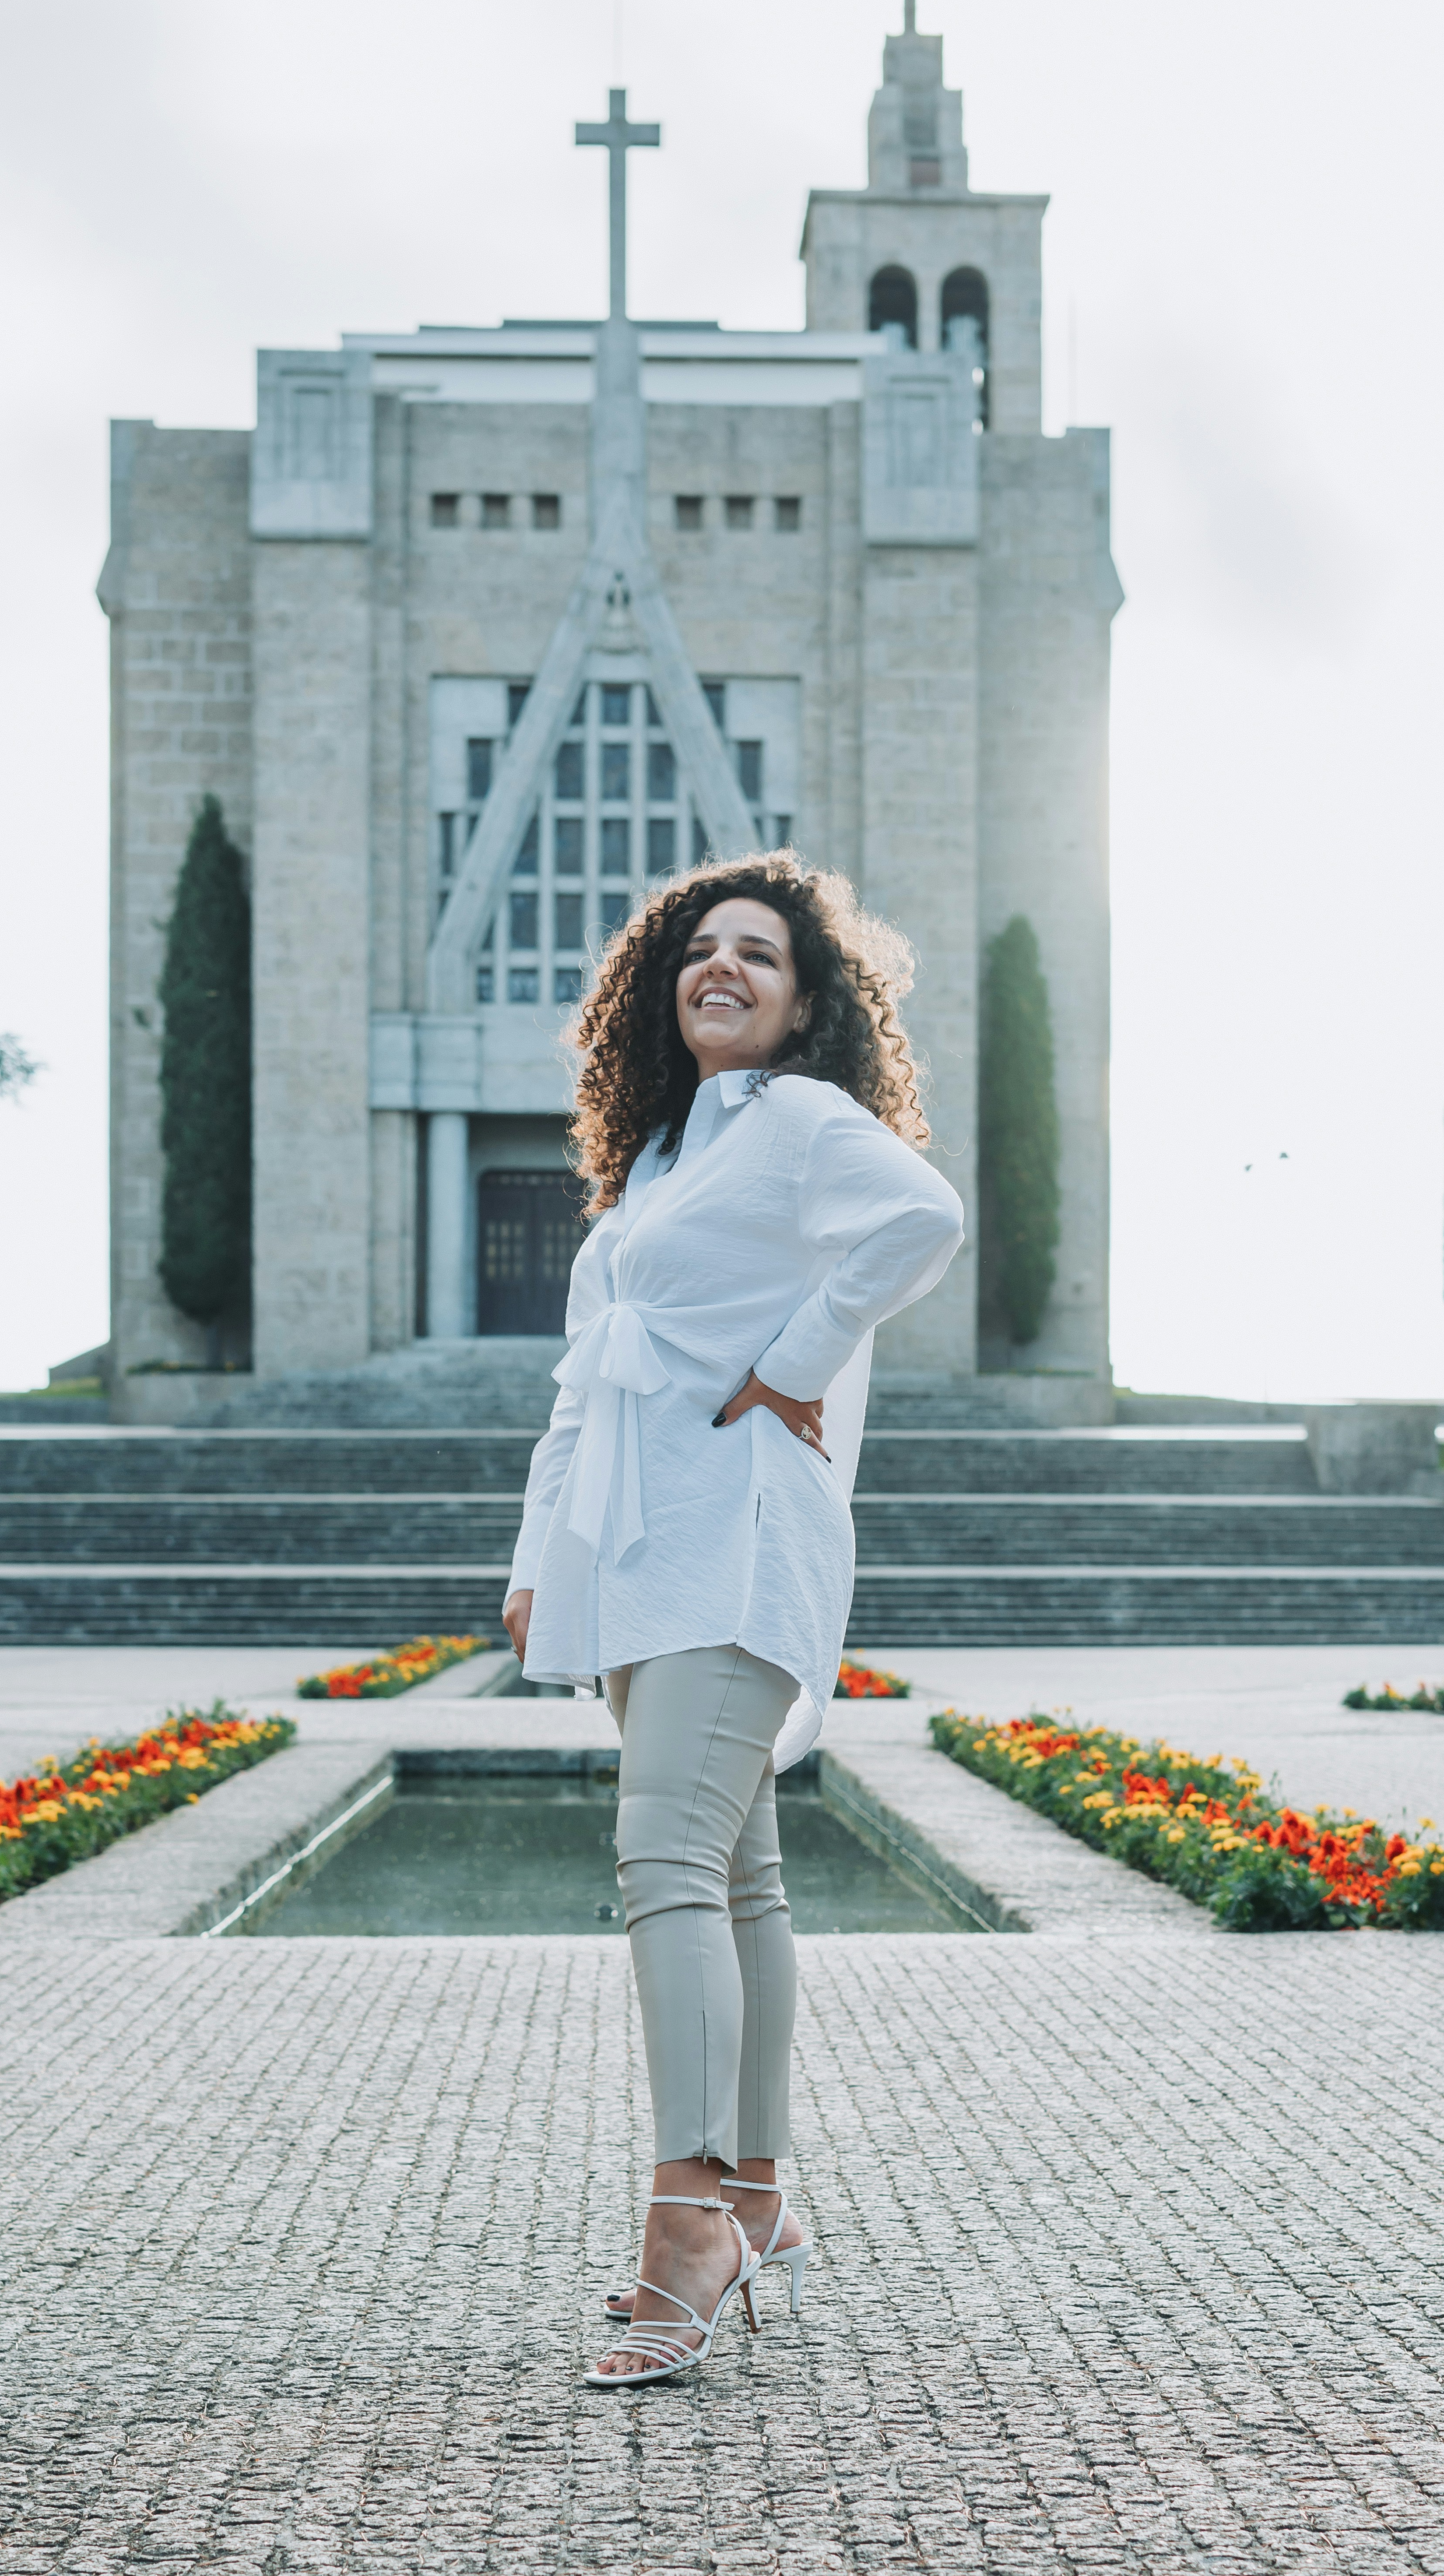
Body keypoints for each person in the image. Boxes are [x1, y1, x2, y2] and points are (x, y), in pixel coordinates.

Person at [502, 852, 964, 2389]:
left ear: (808, 999)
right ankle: (758, 2189)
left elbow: (922, 1220)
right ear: (663, 985)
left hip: (739, 1543)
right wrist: (534, 1556)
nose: (724, 969)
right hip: (641, 1553)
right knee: (741, 1874)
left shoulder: (805, 1126)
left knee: (666, 1862)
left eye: (758, 954)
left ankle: (689, 2215)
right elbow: (587, 1376)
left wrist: (802, 1351)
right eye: (700, 950)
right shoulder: (654, 1169)